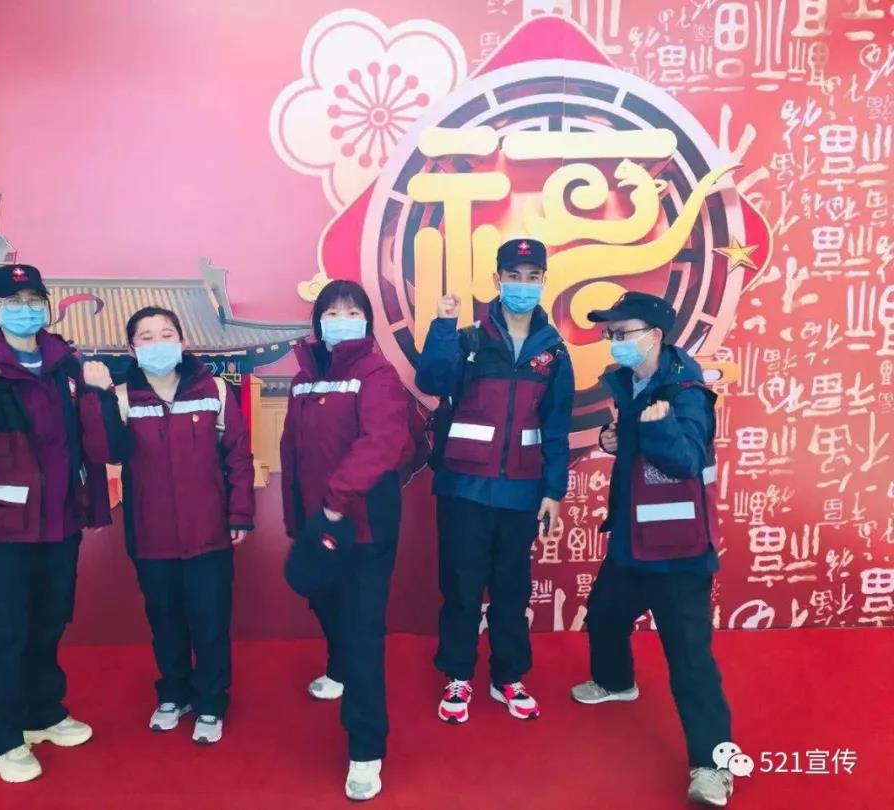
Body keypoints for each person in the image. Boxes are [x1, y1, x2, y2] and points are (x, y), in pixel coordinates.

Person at [0, 263, 112, 784]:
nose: (25, 309)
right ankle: (0, 739)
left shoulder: (67, 364)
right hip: (3, 529)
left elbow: (93, 439)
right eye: (13, 302)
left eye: (34, 299)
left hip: (59, 523)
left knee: (48, 622)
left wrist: (101, 394)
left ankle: (42, 713)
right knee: (5, 632)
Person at [572, 291, 735, 807]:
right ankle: (615, 682)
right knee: (605, 612)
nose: (614, 341)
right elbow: (638, 446)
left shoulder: (686, 392)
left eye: (624, 333)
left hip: (679, 551)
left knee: (689, 660)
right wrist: (615, 438)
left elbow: (686, 458)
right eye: (611, 333)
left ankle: (714, 766)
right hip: (633, 537)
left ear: (655, 336)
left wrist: (657, 428)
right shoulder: (632, 381)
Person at [78, 306, 254, 746]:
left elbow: (237, 456)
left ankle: (211, 702)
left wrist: (240, 514)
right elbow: (107, 451)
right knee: (166, 620)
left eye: (166, 334)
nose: (158, 343)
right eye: (147, 337)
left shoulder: (214, 389)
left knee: (210, 621)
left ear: (182, 341)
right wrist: (99, 396)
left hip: (209, 533)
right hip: (151, 535)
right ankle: (174, 694)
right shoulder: (122, 397)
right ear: (132, 349)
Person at [415, 238, 574, 725]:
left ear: (543, 282)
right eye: (513, 276)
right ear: (497, 281)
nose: (522, 285)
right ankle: (458, 674)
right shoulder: (468, 340)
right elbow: (432, 381)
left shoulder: (554, 353)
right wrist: (443, 326)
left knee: (511, 590)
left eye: (532, 277)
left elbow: (556, 426)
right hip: (464, 487)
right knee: (462, 588)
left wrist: (553, 491)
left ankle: (508, 675)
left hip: (521, 492)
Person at [280, 280, 412, 801]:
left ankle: (366, 748)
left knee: (361, 632)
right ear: (318, 321)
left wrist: (335, 501)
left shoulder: (377, 374)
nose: (341, 319)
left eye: (352, 311)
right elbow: (291, 451)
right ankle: (337, 668)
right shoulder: (303, 378)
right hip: (318, 524)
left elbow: (381, 443)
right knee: (321, 599)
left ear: (366, 321)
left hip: (363, 525)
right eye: (331, 311)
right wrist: (299, 518)